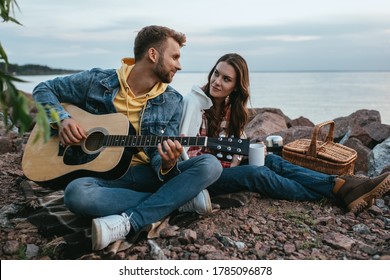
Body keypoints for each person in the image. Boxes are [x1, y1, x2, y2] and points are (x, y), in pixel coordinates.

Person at [32, 25, 223, 251]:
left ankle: (129, 221)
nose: (179, 65)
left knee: (210, 164)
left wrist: (168, 162)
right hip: (105, 179)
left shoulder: (173, 101)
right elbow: (43, 89)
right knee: (76, 194)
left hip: (145, 174)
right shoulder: (98, 81)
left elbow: (160, 160)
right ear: (153, 54)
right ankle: (177, 201)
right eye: (174, 57)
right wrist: (62, 119)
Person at [180, 53, 390, 214]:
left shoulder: (230, 108)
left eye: (226, 79)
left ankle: (340, 186)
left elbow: (235, 143)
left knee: (272, 162)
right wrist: (231, 164)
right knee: (258, 174)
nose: (217, 81)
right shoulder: (194, 102)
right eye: (216, 74)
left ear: (236, 87)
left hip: (224, 168)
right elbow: (186, 155)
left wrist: (241, 156)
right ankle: (341, 190)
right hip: (202, 177)